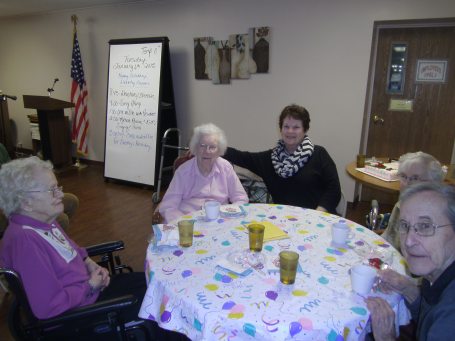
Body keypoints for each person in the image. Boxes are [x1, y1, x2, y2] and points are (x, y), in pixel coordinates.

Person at [0, 157, 151, 329]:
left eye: (58, 187)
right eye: (51, 190)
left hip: (87, 293)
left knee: (151, 283)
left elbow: (69, 248)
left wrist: (88, 262)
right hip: (76, 317)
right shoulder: (25, 242)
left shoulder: (42, 221)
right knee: (158, 304)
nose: (61, 195)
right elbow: (49, 306)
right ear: (26, 202)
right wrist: (90, 286)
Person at [365, 182, 455, 341]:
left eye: (425, 226)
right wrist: (409, 290)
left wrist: (387, 338)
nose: (408, 241)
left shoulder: (449, 321)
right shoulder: (436, 275)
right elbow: (430, 316)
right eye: (405, 225)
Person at [224, 104, 341, 213]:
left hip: (318, 218)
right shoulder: (269, 159)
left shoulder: (319, 154)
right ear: (281, 129)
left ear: (305, 130)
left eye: (296, 127)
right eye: (286, 126)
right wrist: (214, 146)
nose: (290, 131)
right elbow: (241, 157)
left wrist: (316, 214)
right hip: (285, 220)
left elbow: (334, 190)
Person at [159, 123, 248, 223]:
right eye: (202, 146)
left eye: (212, 147)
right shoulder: (183, 171)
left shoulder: (226, 168)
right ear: (195, 148)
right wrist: (185, 223)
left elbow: (241, 198)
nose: (207, 151)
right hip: (188, 220)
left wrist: (228, 215)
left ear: (219, 150)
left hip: (219, 221)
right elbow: (168, 206)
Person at [381, 152, 444, 251]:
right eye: (403, 176)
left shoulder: (437, 217)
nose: (407, 184)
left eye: (415, 178)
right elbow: (389, 237)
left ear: (433, 183)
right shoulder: (401, 204)